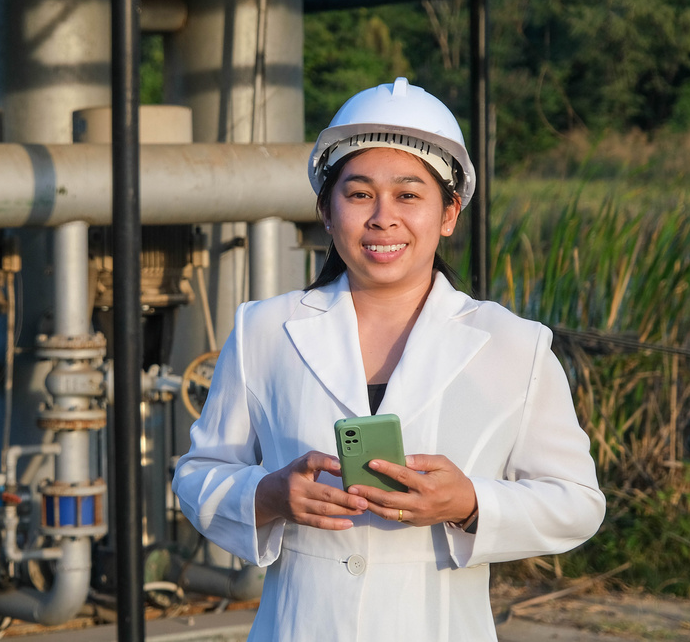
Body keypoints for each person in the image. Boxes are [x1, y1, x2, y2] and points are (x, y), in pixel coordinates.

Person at [171, 78, 605, 640]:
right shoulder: (265, 331)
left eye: (408, 194)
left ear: (448, 213)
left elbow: (577, 502)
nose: (382, 217)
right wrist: (269, 494)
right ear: (326, 211)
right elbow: (197, 476)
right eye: (358, 194)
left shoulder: (513, 345)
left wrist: (471, 502)